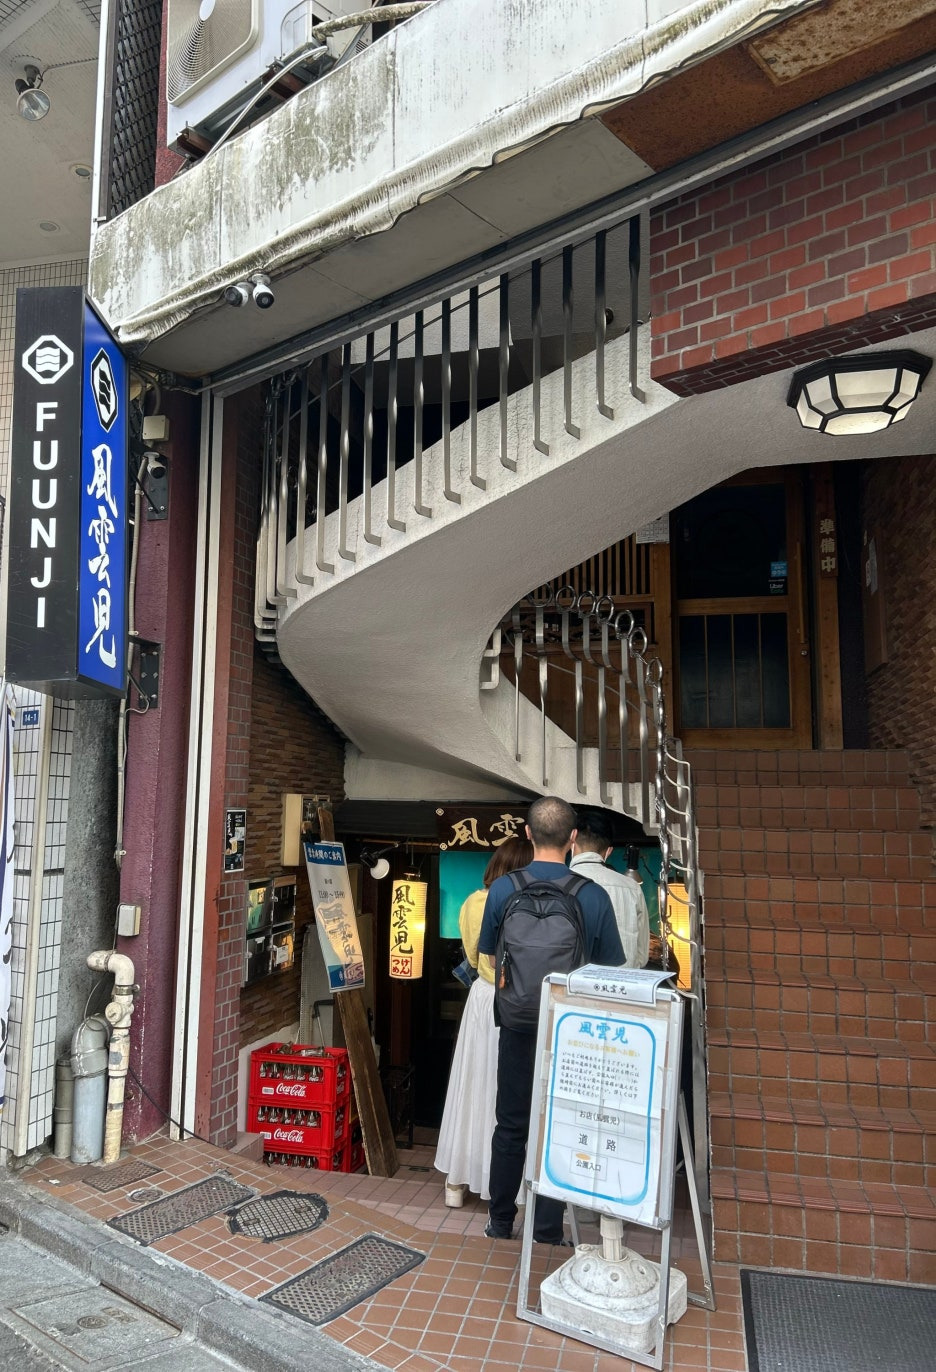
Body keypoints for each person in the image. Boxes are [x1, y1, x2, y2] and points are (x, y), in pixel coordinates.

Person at [478, 796, 624, 1243]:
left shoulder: (503, 890)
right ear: (573, 838)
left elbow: (491, 956)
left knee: (510, 1124)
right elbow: (607, 969)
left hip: (516, 1023)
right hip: (570, 1031)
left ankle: (500, 1221)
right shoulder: (592, 895)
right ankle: (545, 1230)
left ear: (527, 833)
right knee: (558, 1126)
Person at [434, 835, 533, 1208]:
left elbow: (474, 959)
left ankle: (457, 1181)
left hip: (482, 999)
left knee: (473, 1085)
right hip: (519, 1002)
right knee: (511, 1090)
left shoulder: (473, 902)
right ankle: (512, 1185)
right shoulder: (530, 904)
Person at [570, 810, 650, 970]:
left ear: (572, 839)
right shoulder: (632, 888)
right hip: (623, 981)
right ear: (609, 851)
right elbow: (642, 956)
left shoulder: (559, 883)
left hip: (573, 982)